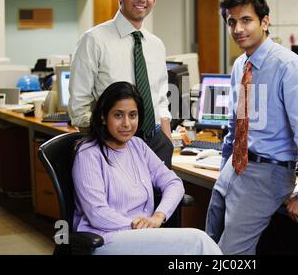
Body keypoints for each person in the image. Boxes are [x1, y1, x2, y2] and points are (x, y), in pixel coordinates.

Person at [205, 0, 298, 255]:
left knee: (228, 254)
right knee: (207, 241)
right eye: (231, 22)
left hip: (268, 173)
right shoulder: (240, 64)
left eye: (246, 20)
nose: (238, 28)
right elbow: (235, 125)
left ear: (265, 22)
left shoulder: (288, 67)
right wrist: (225, 165)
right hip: (235, 167)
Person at [72, 81, 222, 255]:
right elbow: (97, 213)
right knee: (198, 242)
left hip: (143, 234)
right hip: (107, 239)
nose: (127, 123)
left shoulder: (137, 145)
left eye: (133, 115)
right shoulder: (88, 153)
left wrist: (158, 216)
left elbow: (173, 182)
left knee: (197, 245)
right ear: (104, 117)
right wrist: (139, 225)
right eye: (118, 115)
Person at [68, 0, 174, 168]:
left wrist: (166, 140)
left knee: (162, 198)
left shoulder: (156, 45)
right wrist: (105, 148)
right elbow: (79, 107)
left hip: (155, 143)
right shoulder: (93, 40)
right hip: (113, 146)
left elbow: (161, 99)